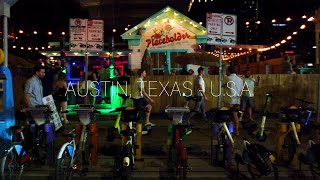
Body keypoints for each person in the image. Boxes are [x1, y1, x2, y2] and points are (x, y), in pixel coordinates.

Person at [224, 66, 243, 136]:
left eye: (226, 70)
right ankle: (237, 130)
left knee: (227, 114)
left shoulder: (228, 78)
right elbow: (241, 90)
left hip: (229, 99)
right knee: (235, 115)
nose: (226, 72)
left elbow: (222, 85)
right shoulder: (240, 79)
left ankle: (227, 130)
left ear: (229, 71)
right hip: (237, 99)